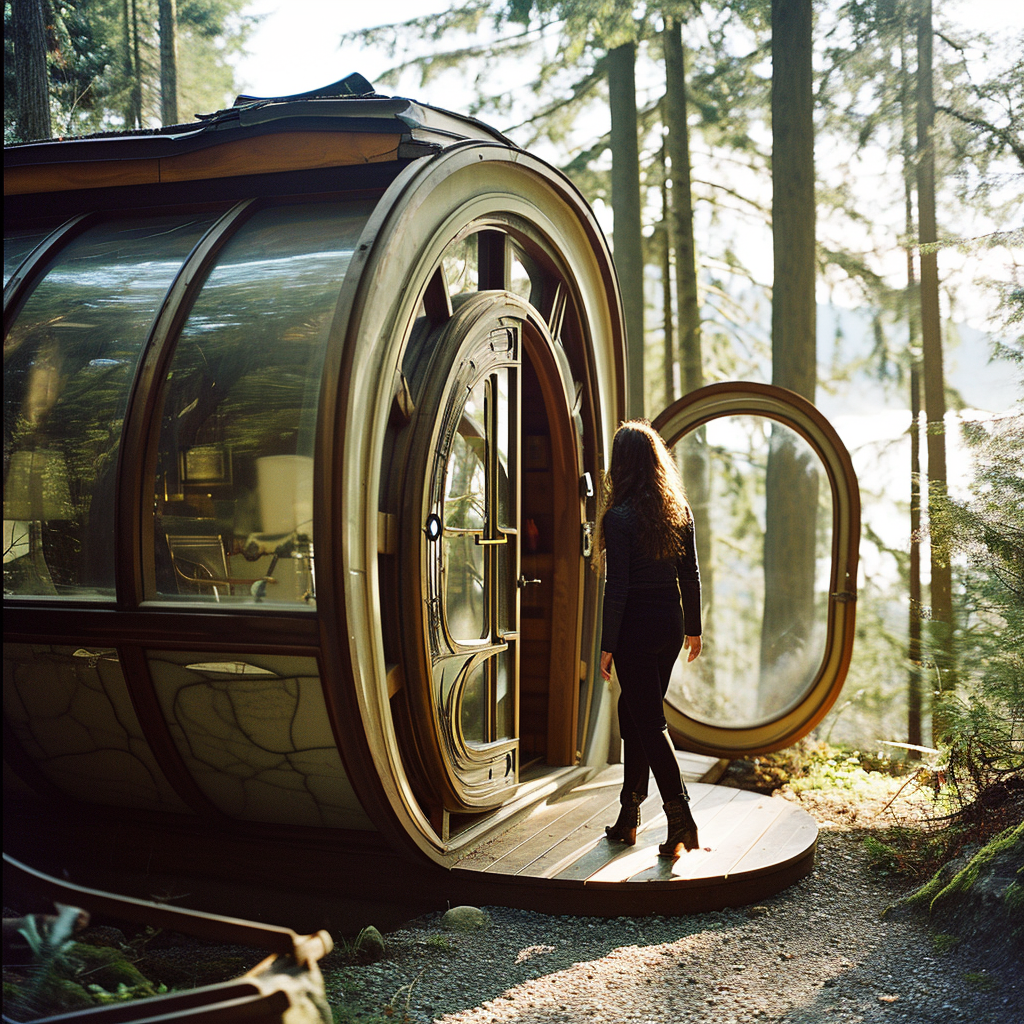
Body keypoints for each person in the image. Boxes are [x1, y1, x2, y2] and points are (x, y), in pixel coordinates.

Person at [597, 420, 703, 859]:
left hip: (636, 629)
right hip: (669, 624)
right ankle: (628, 816)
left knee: (649, 721)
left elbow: (617, 586)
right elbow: (690, 575)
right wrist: (694, 629)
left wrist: (607, 644)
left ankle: (680, 816)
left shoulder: (618, 517)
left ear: (621, 465)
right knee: (633, 709)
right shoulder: (678, 509)